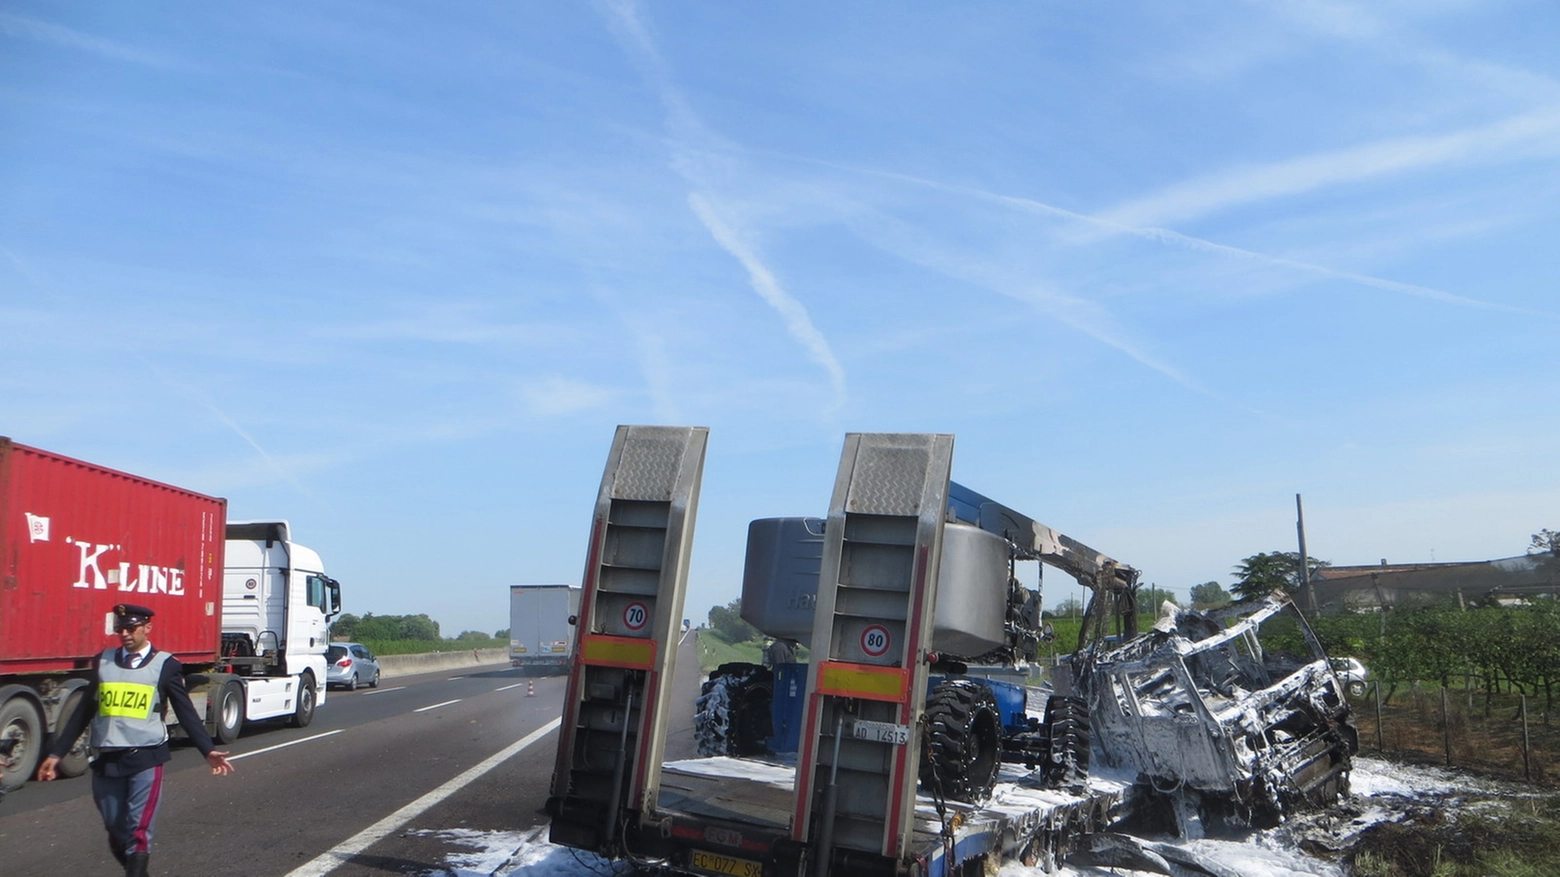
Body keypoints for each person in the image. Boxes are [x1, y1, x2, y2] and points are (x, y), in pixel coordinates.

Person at [37, 603, 235, 877]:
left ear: (147, 628)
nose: (125, 634)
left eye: (131, 628)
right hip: (107, 759)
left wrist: (208, 750)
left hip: (146, 758)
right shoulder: (102, 661)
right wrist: (56, 753)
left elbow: (185, 711)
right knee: (116, 830)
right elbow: (84, 711)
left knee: (139, 830)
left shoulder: (165, 665)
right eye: (120, 629)